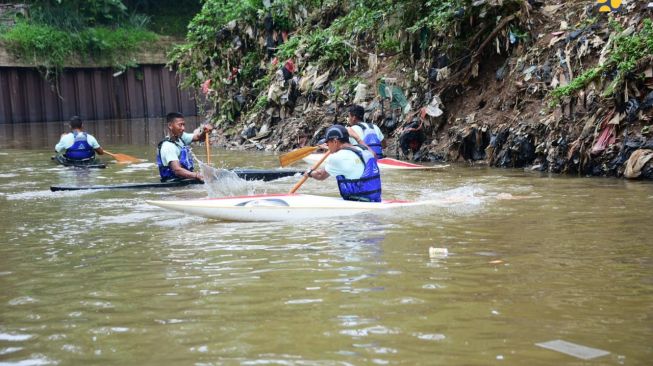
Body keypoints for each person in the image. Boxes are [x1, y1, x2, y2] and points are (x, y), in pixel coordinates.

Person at [305, 125, 382, 202]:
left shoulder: (338, 157)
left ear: (335, 141)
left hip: (358, 200)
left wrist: (310, 172)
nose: (327, 145)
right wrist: (357, 138)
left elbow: (320, 175)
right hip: (374, 199)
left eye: (328, 142)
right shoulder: (362, 149)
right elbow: (374, 156)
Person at [156, 112, 213, 182]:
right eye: (180, 125)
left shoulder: (181, 137)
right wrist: (197, 175)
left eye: (184, 125)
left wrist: (205, 131)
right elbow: (177, 170)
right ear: (170, 125)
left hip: (185, 179)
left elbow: (199, 137)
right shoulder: (168, 147)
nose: (183, 128)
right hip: (174, 184)